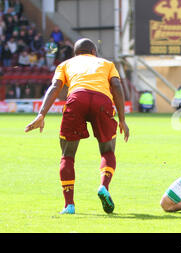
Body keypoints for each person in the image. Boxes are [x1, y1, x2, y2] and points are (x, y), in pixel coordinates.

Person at [24, 38, 130, 215]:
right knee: (107, 151)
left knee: (67, 155)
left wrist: (41, 114)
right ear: (94, 52)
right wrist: (122, 119)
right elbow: (117, 86)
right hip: (102, 101)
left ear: (76, 53)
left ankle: (69, 205)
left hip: (77, 99)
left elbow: (55, 87)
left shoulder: (66, 64)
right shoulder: (107, 63)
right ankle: (104, 187)